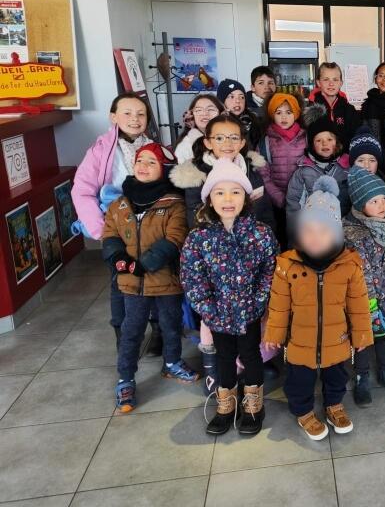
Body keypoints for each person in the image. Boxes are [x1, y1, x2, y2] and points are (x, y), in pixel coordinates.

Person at [264, 176, 373, 441]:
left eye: (323, 231)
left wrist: (361, 335)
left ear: (336, 233)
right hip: (300, 341)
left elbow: (359, 305)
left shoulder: (349, 265)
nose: (315, 237)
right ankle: (303, 411)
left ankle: (334, 404)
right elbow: (279, 305)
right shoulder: (287, 265)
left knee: (337, 376)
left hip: (337, 340)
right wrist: (275, 334)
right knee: (299, 380)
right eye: (308, 230)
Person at [181, 159, 278, 435]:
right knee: (224, 357)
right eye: (220, 192)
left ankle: (253, 405)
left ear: (245, 198)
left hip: (250, 312)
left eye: (235, 192)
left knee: (251, 354)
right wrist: (207, 308)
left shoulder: (261, 234)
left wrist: (259, 301)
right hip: (217, 314)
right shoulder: (199, 238)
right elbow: (192, 277)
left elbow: (270, 269)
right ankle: (226, 404)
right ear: (209, 200)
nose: (227, 199)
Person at [103, 143, 197, 413]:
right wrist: (118, 257)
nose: (143, 166)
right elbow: (109, 234)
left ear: (164, 170)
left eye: (151, 162)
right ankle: (125, 378)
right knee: (131, 330)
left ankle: (172, 362)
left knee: (170, 324)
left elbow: (175, 238)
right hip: (131, 283)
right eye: (140, 160)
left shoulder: (174, 204)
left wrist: (143, 265)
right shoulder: (120, 204)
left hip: (166, 281)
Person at [72, 92, 154, 350]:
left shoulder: (153, 147)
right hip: (116, 229)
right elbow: (82, 190)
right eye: (127, 113)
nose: (135, 119)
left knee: (154, 277)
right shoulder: (100, 150)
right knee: (121, 281)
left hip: (150, 226)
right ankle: (124, 338)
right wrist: (102, 231)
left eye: (141, 114)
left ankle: (158, 333)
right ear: (113, 117)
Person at [344, 167, 385, 406]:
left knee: (384, 335)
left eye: (383, 199)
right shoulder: (351, 232)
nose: (381, 205)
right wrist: (369, 298)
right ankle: (362, 377)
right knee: (362, 337)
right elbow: (358, 269)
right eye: (373, 201)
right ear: (360, 205)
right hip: (363, 296)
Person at [169, 113, 275, 231]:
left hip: (253, 239)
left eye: (234, 138)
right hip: (213, 240)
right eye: (219, 138)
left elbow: (265, 213)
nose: (227, 144)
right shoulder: (197, 174)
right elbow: (196, 219)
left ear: (242, 143)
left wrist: (266, 235)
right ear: (208, 143)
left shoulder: (252, 169)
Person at [286, 104, 350, 237]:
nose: (324, 143)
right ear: (312, 145)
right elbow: (294, 204)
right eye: (319, 140)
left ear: (337, 142)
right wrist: (298, 235)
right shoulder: (303, 171)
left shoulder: (347, 168)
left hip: (342, 230)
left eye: (329, 139)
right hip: (312, 232)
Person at [262, 92, 306, 248]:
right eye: (278, 112)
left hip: (301, 202)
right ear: (272, 115)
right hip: (276, 203)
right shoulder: (266, 141)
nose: (284, 117)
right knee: (279, 239)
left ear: (296, 114)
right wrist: (280, 199)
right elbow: (264, 176)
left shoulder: (306, 139)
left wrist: (298, 199)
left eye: (288, 112)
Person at [307, 62, 362, 146]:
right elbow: (309, 140)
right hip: (320, 154)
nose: (331, 84)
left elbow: (356, 136)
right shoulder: (310, 110)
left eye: (335, 79)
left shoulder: (349, 110)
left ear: (341, 83)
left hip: (345, 153)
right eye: (326, 79)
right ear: (318, 83)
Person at [218, 78, 264, 156]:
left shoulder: (255, 121)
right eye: (231, 97)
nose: (238, 101)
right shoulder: (216, 124)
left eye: (242, 97)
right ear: (222, 101)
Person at [174, 94, 223, 163]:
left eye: (211, 109)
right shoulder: (186, 146)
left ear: (221, 114)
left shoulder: (230, 138)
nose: (204, 113)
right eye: (199, 110)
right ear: (191, 116)